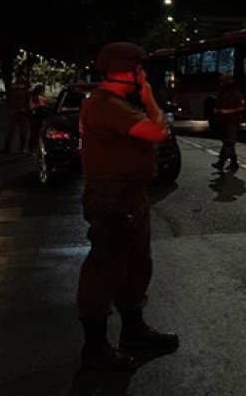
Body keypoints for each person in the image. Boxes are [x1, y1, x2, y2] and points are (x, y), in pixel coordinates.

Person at [76, 42, 179, 371]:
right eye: (141, 69)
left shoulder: (114, 103)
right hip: (113, 199)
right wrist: (149, 98)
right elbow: (158, 131)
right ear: (127, 70)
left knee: (136, 265)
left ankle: (134, 330)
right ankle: (95, 346)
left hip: (130, 196)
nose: (145, 75)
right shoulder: (107, 105)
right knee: (104, 269)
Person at [212, 74, 245, 173]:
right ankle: (234, 163)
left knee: (229, 142)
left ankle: (221, 162)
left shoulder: (236, 94)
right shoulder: (221, 94)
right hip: (222, 122)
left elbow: (242, 107)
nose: (221, 84)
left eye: (223, 82)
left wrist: (228, 111)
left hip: (232, 122)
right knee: (227, 143)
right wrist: (216, 110)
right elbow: (217, 105)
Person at [1, 78, 31, 154]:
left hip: (14, 112)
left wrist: (10, 110)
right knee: (23, 131)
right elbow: (28, 104)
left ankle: (7, 148)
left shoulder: (13, 91)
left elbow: (8, 102)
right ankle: (22, 148)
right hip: (22, 113)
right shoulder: (27, 93)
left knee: (11, 131)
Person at [27, 84, 48, 154]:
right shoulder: (40, 98)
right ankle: (35, 148)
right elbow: (43, 107)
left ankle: (32, 148)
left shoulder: (32, 97)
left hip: (33, 117)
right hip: (38, 117)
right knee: (38, 133)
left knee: (33, 133)